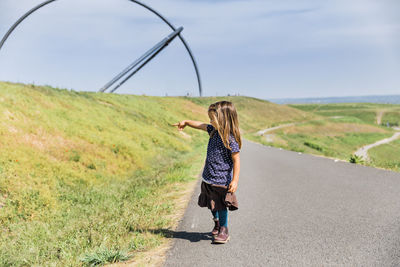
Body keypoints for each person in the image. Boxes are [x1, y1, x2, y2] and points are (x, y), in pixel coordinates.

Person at [172, 101, 241, 244]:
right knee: (211, 204)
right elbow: (199, 124)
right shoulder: (213, 131)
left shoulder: (230, 139)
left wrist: (234, 180)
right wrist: (186, 122)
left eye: (212, 118)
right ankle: (216, 223)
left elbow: (236, 161)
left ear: (223, 119)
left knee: (221, 205)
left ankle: (224, 229)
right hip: (208, 177)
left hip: (222, 180)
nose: (209, 121)